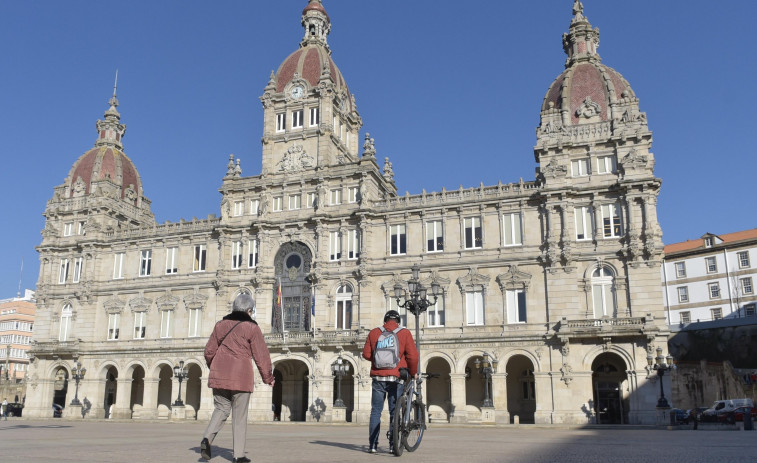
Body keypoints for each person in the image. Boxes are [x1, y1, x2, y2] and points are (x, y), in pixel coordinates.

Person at [200, 294, 274, 463]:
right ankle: (238, 455)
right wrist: (268, 377)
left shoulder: (220, 325)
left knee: (221, 409)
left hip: (219, 375)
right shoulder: (251, 328)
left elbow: (209, 351)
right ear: (249, 310)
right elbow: (261, 355)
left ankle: (207, 439)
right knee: (239, 416)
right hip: (241, 377)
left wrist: (217, 367)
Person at [362, 310, 419, 454]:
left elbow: (366, 354)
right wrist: (413, 373)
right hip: (396, 378)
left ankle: (373, 445)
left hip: (378, 378)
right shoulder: (404, 333)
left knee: (376, 411)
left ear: (385, 320)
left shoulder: (374, 332)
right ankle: (393, 445)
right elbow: (413, 356)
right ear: (398, 321)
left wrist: (379, 360)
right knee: (395, 411)